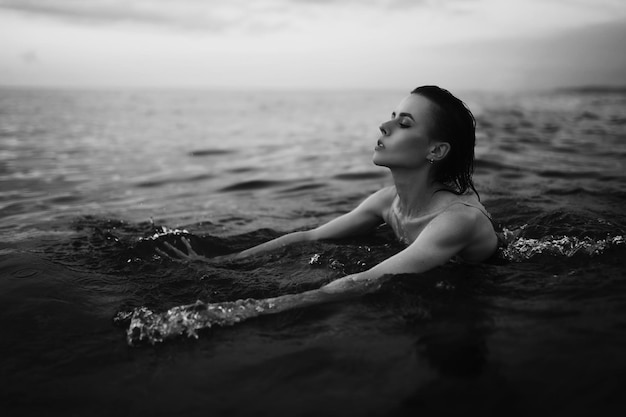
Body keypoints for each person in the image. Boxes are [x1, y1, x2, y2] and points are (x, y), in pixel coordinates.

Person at [156, 85, 498, 313]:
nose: (383, 126)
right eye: (391, 117)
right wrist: (224, 262)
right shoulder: (386, 203)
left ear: (436, 150)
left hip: (481, 289)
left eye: (404, 124)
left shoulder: (456, 221)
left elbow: (365, 280)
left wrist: (249, 310)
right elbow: (309, 237)